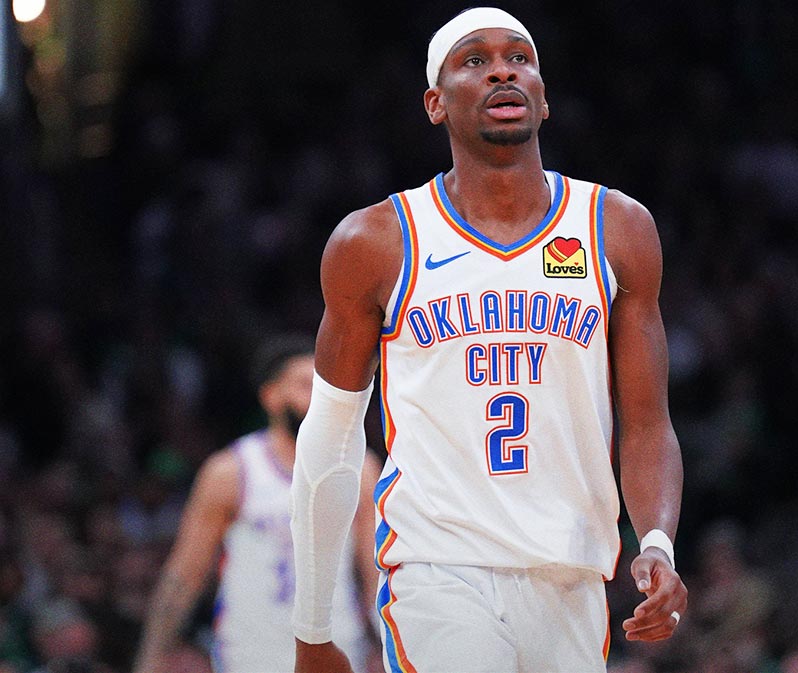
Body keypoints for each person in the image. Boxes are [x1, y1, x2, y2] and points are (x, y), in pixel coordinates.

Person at [289, 7, 686, 673]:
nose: (503, 68)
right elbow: (330, 438)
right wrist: (312, 625)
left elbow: (647, 424)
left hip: (571, 569)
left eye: (519, 57)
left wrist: (657, 542)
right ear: (435, 103)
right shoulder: (377, 240)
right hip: (437, 567)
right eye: (474, 60)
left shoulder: (616, 228)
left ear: (543, 95)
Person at [133, 336, 381, 673]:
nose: (318, 398)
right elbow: (185, 573)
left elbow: (374, 570)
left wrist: (385, 644)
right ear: (271, 396)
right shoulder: (231, 470)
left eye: (323, 386)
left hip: (339, 653)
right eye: (304, 385)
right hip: (248, 656)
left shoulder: (359, 467)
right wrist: (151, 657)